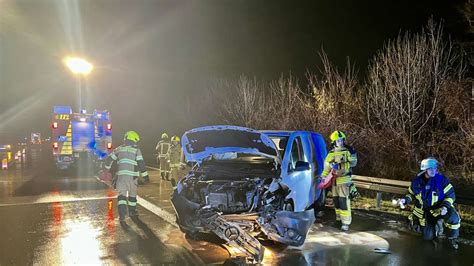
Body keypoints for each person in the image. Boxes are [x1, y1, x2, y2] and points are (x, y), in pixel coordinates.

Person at [399, 157, 460, 249]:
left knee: (453, 218)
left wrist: (445, 207)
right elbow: (411, 194)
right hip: (428, 211)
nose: (433, 170)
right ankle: (436, 229)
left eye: (435, 168)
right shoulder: (417, 182)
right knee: (427, 237)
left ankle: (452, 239)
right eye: (430, 169)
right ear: (424, 170)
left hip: (442, 207)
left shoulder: (441, 180)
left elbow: (451, 195)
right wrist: (405, 200)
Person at [103, 131, 149, 223]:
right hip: (132, 178)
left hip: (121, 178)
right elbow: (141, 164)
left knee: (122, 197)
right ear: (133, 139)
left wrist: (106, 169)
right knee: (132, 196)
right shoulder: (136, 150)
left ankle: (122, 216)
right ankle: (132, 212)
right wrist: (145, 176)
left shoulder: (119, 149)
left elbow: (109, 159)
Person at [321, 130, 357, 231]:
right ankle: (338, 220)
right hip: (334, 182)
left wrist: (340, 165)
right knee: (336, 202)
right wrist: (323, 177)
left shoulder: (349, 150)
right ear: (334, 142)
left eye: (341, 140)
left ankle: (345, 223)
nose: (340, 142)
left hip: (344, 181)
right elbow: (326, 167)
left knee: (344, 202)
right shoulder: (331, 153)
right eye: (337, 141)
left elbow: (353, 163)